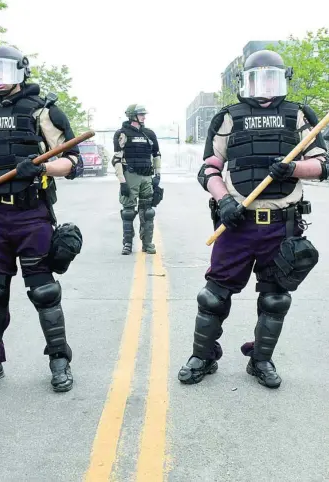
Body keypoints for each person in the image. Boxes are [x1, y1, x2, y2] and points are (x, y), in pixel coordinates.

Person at [177, 50, 328, 389]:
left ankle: (260, 360)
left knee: (275, 298)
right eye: (257, 78)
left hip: (282, 226)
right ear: (244, 81)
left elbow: (322, 165)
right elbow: (210, 168)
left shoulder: (300, 116)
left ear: (283, 78)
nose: (264, 87)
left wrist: (293, 168)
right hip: (238, 222)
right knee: (213, 296)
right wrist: (224, 199)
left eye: (271, 78)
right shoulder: (228, 117)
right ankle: (202, 356)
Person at [0, 44, 83, 393]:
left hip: (30, 214)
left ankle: (59, 359)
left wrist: (41, 165)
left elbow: (72, 163)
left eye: (4, 71)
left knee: (43, 291)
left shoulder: (43, 111)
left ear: (20, 72)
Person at [111, 104, 162, 255]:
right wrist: (122, 182)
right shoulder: (122, 134)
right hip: (130, 175)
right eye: (141, 115)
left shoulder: (149, 134)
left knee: (148, 212)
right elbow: (117, 159)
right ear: (133, 116)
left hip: (147, 176)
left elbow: (157, 154)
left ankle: (147, 243)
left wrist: (157, 175)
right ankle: (127, 243)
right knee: (128, 212)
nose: (144, 117)